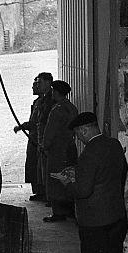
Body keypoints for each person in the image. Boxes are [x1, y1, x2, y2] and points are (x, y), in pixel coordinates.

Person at [53, 111, 128, 253]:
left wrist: (66, 182)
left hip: (95, 223)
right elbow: (115, 173)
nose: (78, 138)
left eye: (78, 134)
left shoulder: (89, 154)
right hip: (116, 217)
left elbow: (83, 191)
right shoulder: (113, 145)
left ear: (84, 130)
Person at [41, 79, 78, 222]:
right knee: (69, 176)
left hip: (57, 150)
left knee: (55, 179)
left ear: (55, 92)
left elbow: (50, 131)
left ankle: (58, 212)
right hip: (70, 148)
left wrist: (44, 145)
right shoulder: (72, 108)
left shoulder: (57, 110)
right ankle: (70, 209)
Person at [13, 71, 54, 201]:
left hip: (41, 140)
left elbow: (42, 121)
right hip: (34, 138)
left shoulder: (50, 101)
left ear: (48, 83)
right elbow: (33, 122)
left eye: (39, 83)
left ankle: (46, 193)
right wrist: (22, 126)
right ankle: (39, 191)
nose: (36, 86)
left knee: (42, 167)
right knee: (33, 166)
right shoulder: (38, 101)